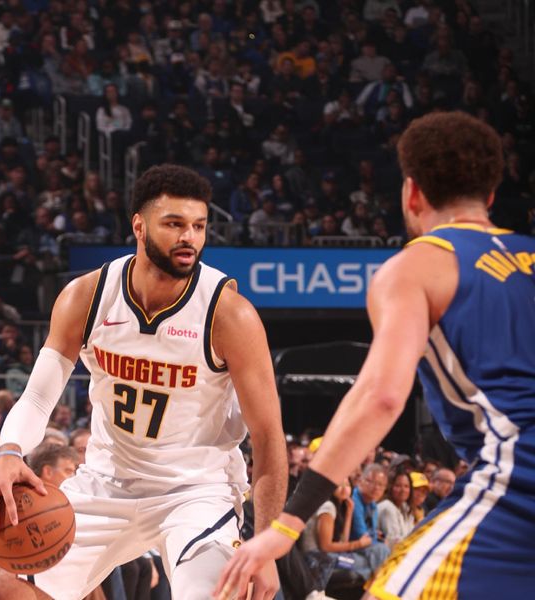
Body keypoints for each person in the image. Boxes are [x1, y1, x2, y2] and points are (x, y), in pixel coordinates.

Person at [215, 111, 535, 600]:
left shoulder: (417, 266)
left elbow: (382, 397)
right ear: (491, 196)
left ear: (412, 193)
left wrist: (285, 526)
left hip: (516, 481)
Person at [0, 165, 288, 600]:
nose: (189, 238)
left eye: (198, 226)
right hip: (106, 482)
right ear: (139, 226)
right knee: (0, 593)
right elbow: (39, 396)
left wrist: (268, 546)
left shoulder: (229, 314)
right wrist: (8, 452)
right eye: (174, 224)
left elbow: (269, 437)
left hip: (195, 492)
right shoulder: (86, 296)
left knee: (219, 594)